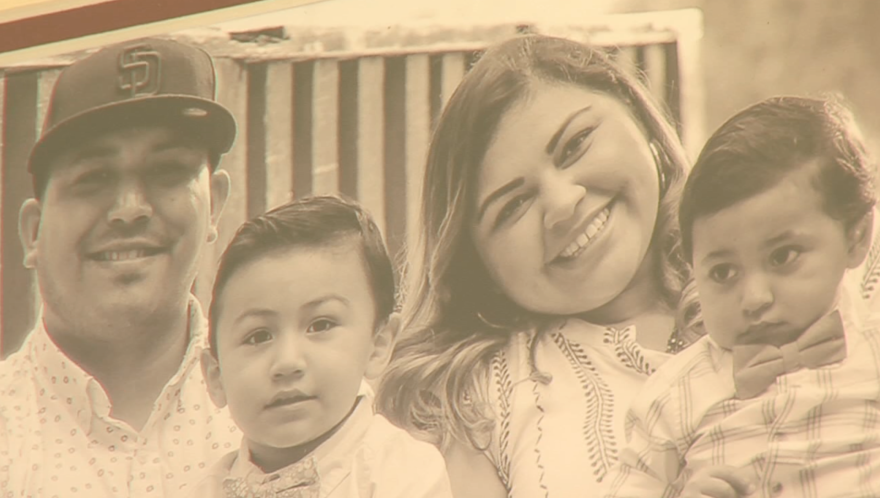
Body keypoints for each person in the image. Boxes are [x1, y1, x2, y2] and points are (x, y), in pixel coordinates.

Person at [376, 34, 700, 497]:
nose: (563, 204)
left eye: (576, 145)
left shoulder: (783, 282)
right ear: (476, 261)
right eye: (514, 205)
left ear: (638, 117)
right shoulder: (466, 402)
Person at [0, 38, 240, 497]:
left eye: (168, 171)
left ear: (215, 207)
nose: (130, 209)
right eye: (94, 178)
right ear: (32, 230)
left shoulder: (301, 417)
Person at [605, 96, 880, 498]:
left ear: (856, 237)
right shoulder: (675, 394)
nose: (754, 297)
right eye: (723, 273)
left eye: (782, 256)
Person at [193, 195, 454, 498]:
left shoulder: (405, 473)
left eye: (320, 325)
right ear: (215, 375)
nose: (288, 362)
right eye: (258, 336)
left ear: (378, 345)